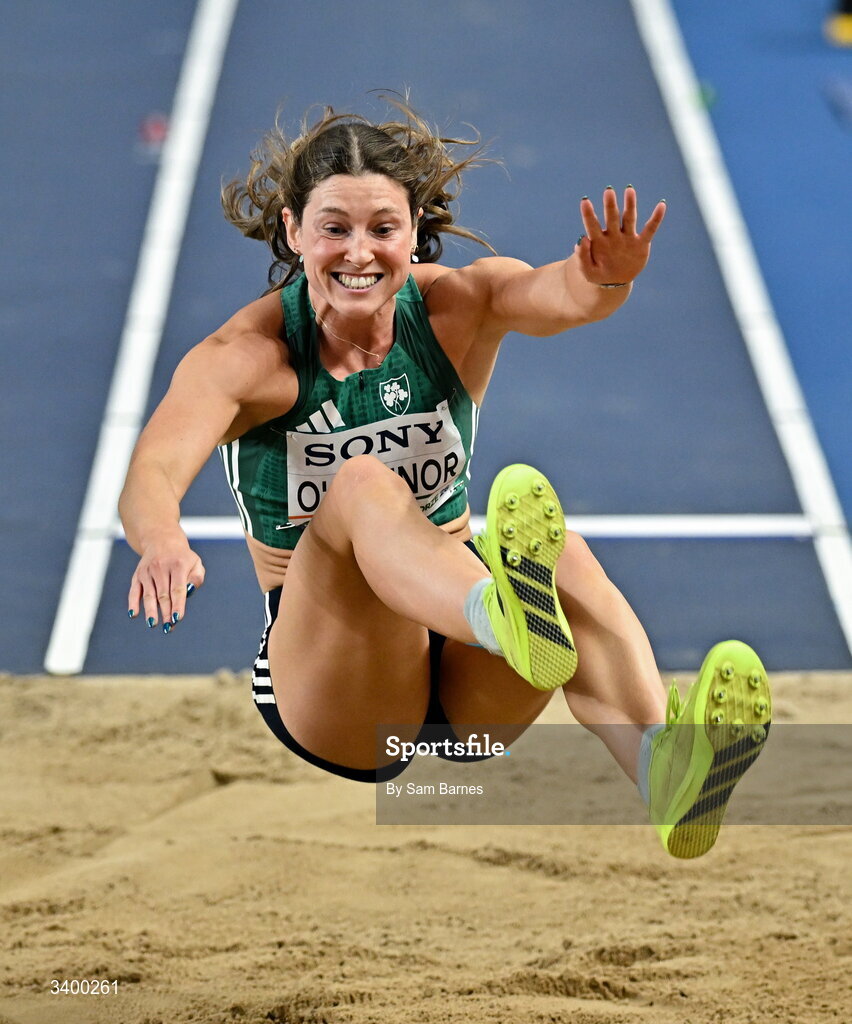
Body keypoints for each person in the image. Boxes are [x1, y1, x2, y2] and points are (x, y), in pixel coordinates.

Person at [119, 99, 771, 859]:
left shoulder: (457, 308)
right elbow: (154, 466)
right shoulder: (250, 356)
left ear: (414, 227)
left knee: (563, 553)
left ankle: (665, 769)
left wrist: (607, 279)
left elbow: (555, 295)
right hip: (340, 685)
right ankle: (502, 617)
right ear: (294, 230)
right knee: (360, 485)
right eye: (334, 228)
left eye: (382, 229)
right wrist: (162, 538)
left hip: (465, 685)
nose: (358, 253)